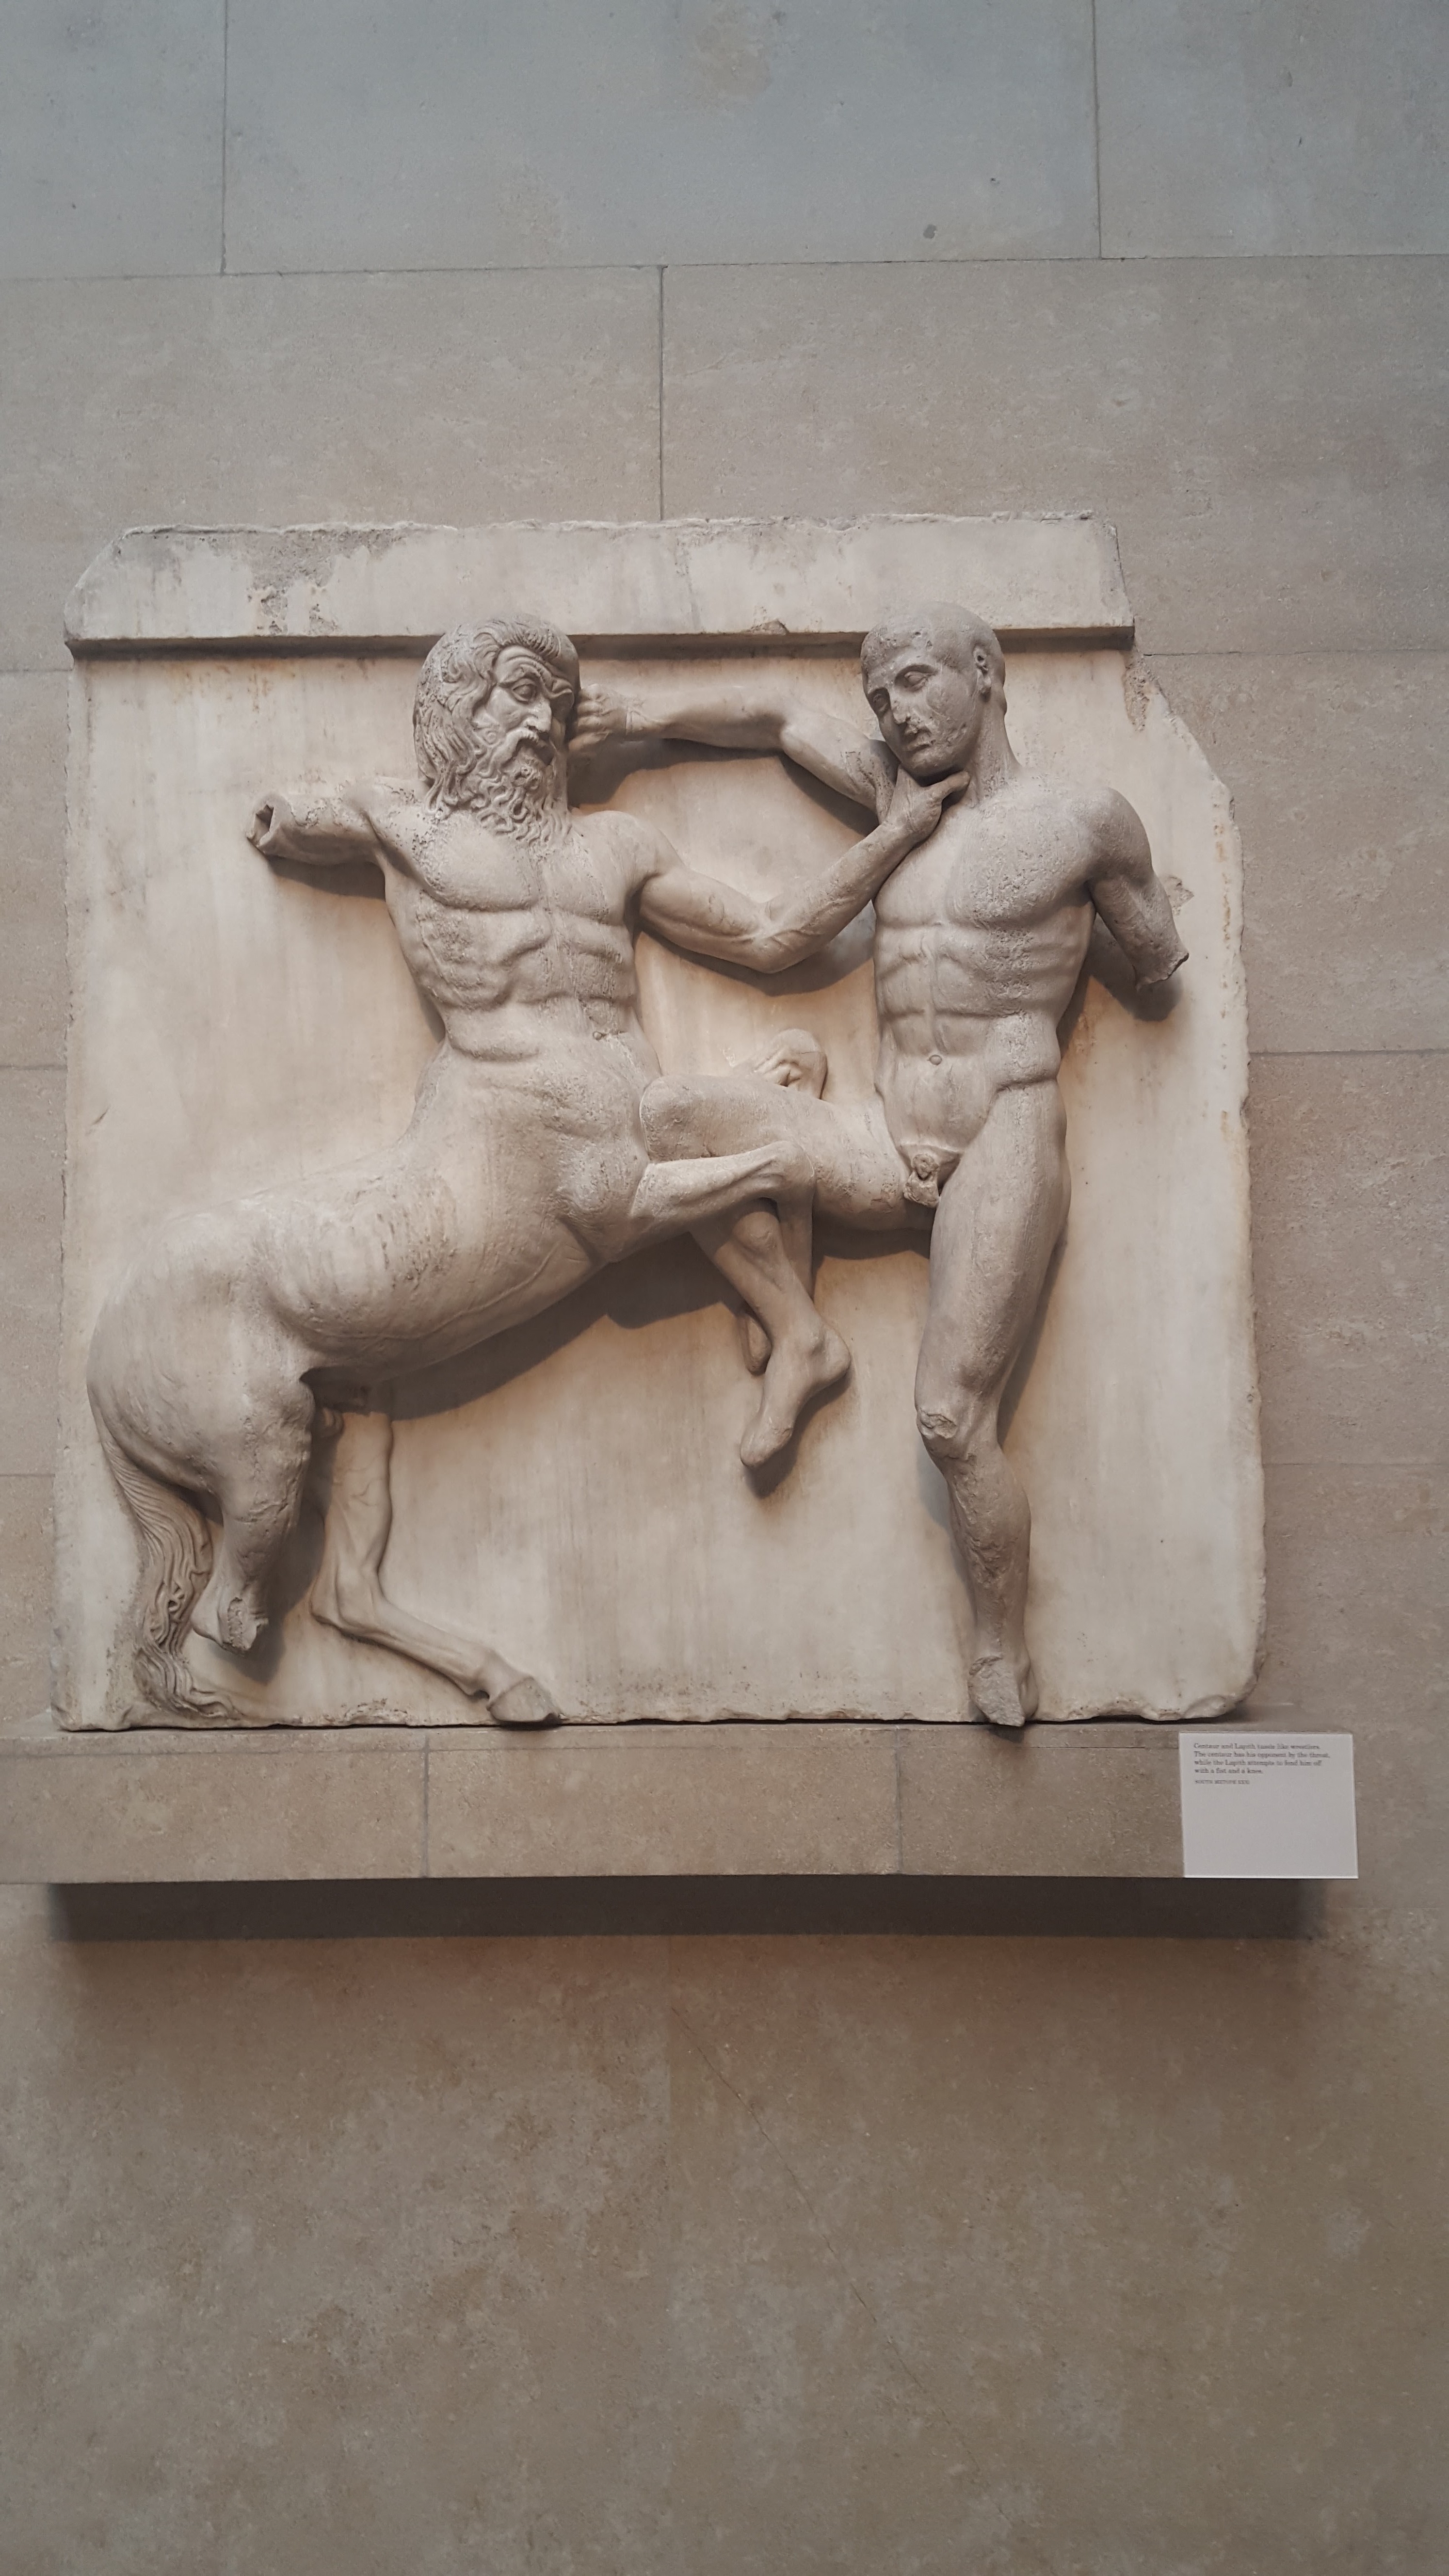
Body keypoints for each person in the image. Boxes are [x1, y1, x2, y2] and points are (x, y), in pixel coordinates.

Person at [87, 615, 960, 1725]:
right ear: (458, 710)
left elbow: (774, 937)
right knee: (716, 1140)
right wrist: (296, 813)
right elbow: (287, 812)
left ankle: (795, 1329)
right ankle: (236, 1608)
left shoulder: (618, 848)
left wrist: (896, 834)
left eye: (556, 697)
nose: (541, 719)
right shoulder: (404, 825)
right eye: (515, 691)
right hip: (509, 1128)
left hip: (611, 1124)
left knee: (704, 1106)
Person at [573, 603, 1188, 1728]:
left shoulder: (1086, 820)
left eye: (913, 681)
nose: (896, 714)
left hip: (1002, 1129)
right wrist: (638, 714)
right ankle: (797, 1327)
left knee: (950, 1419)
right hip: (881, 1127)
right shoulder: (891, 796)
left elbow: (1156, 960)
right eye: (879, 698)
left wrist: (1095, 947)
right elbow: (773, 716)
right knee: (673, 1115)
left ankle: (1000, 1648)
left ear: (984, 671)